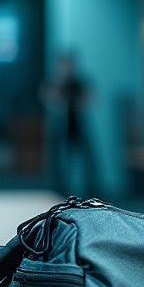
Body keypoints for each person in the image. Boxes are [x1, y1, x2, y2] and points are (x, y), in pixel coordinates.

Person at [40, 52, 97, 195]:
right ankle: (58, 190)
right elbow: (46, 97)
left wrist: (79, 102)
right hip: (59, 128)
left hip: (77, 126)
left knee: (87, 160)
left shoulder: (79, 82)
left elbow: (91, 98)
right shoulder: (55, 82)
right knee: (57, 160)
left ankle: (91, 190)